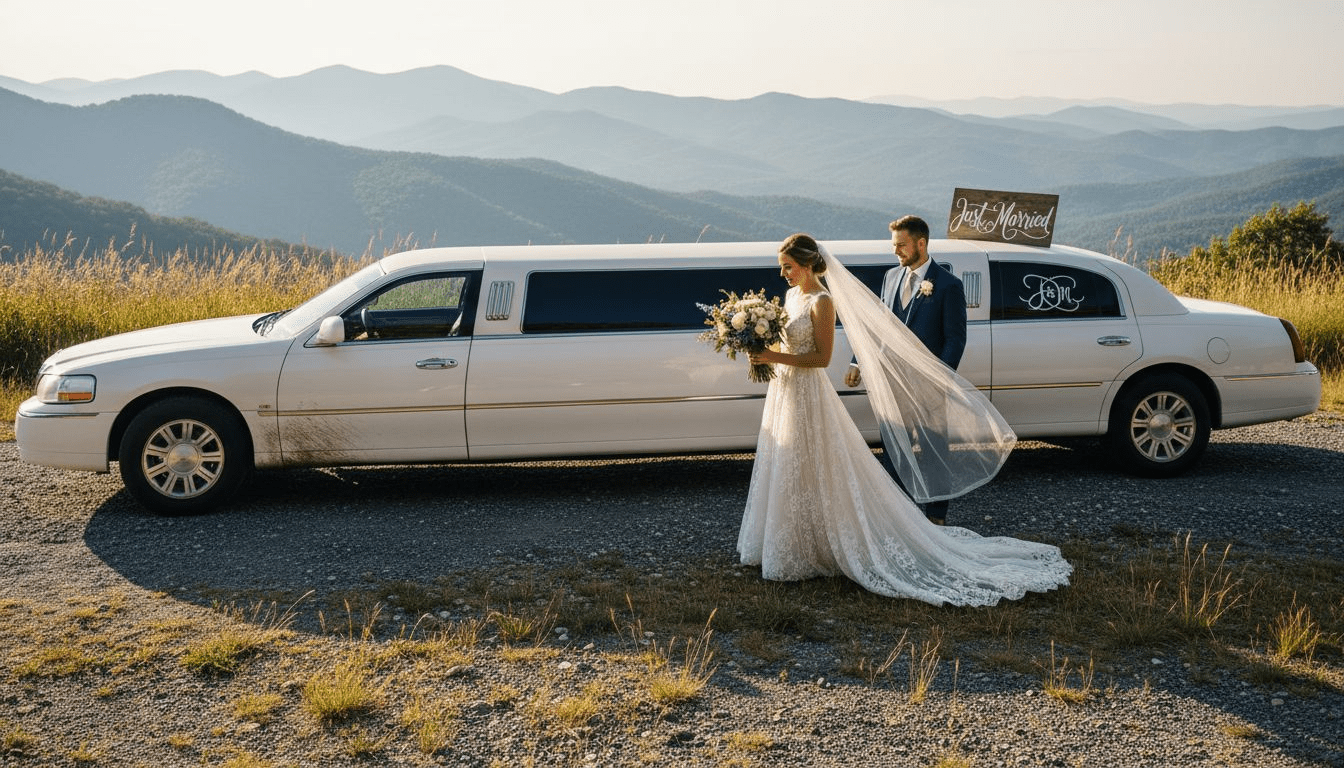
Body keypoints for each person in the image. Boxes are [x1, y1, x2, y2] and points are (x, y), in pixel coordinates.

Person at [740, 233, 1070, 606]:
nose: (782, 273)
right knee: (789, 463)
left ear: (806, 263)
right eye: (781, 266)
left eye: (788, 266)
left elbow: (820, 359)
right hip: (784, 392)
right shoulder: (791, 295)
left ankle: (927, 518)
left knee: (835, 460)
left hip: (813, 393)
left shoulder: (823, 299)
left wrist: (772, 357)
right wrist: (762, 351)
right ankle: (792, 543)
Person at [845, 215, 963, 525]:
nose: (896, 251)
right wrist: (858, 360)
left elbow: (955, 340)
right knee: (895, 450)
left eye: (901, 245)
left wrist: (938, 379)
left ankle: (937, 517)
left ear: (921, 243)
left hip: (929, 387)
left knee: (934, 452)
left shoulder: (949, 285)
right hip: (892, 382)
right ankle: (900, 517)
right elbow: (878, 324)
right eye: (894, 245)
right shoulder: (890, 277)